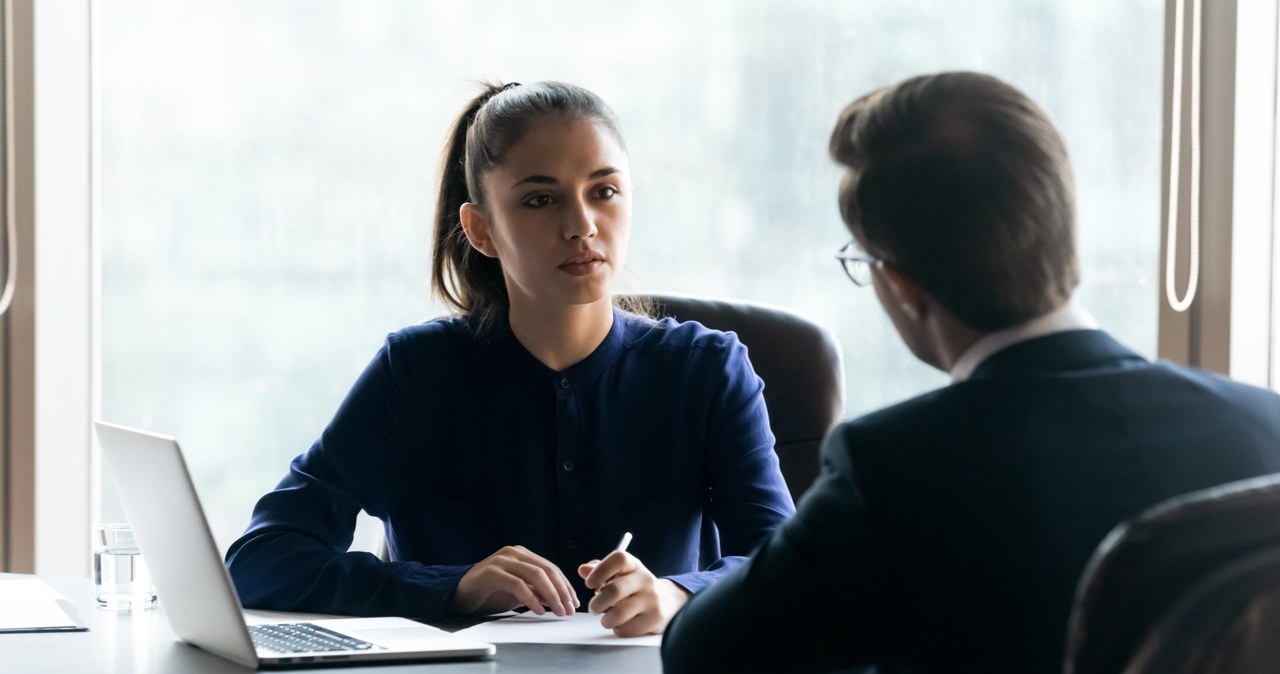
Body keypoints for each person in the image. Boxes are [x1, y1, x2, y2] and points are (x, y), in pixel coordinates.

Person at [661, 71, 1280, 672]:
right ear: (1060, 228)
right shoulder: (1264, 426)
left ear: (899, 283)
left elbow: (703, 653)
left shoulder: (894, 467)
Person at [225, 80, 795, 637]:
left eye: (605, 191)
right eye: (540, 200)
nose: (582, 226)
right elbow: (261, 559)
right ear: (481, 229)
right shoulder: (414, 373)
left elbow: (786, 565)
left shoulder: (706, 370)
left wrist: (679, 595)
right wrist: (453, 587)